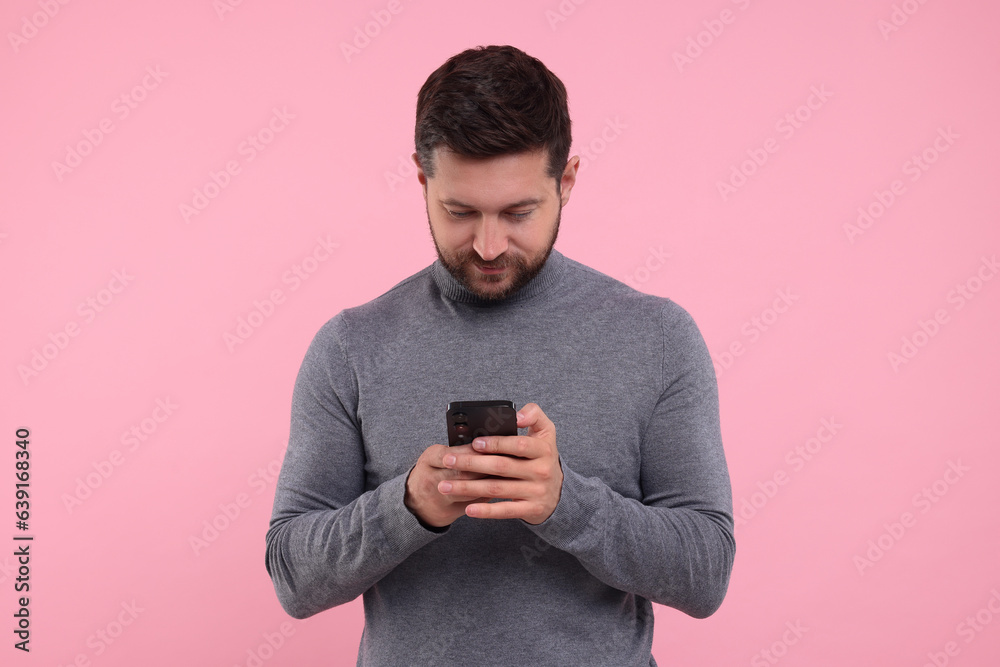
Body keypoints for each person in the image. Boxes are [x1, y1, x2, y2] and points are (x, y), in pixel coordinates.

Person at [265, 44, 735, 666]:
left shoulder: (658, 337)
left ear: (566, 182)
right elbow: (292, 578)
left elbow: (706, 573)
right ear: (422, 179)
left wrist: (566, 502)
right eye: (460, 212)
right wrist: (409, 505)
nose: (489, 246)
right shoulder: (351, 347)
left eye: (518, 213)